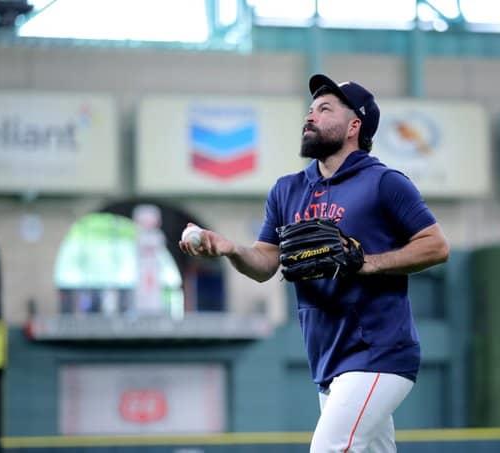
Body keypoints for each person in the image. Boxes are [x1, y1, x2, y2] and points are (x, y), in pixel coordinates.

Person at [179, 74, 449, 452]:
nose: (311, 117)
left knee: (330, 448)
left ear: (354, 125)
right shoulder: (287, 189)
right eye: (310, 110)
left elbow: (435, 245)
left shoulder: (384, 183)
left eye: (325, 109)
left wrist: (366, 263)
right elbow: (264, 264)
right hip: (328, 356)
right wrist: (230, 249)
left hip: (378, 352)